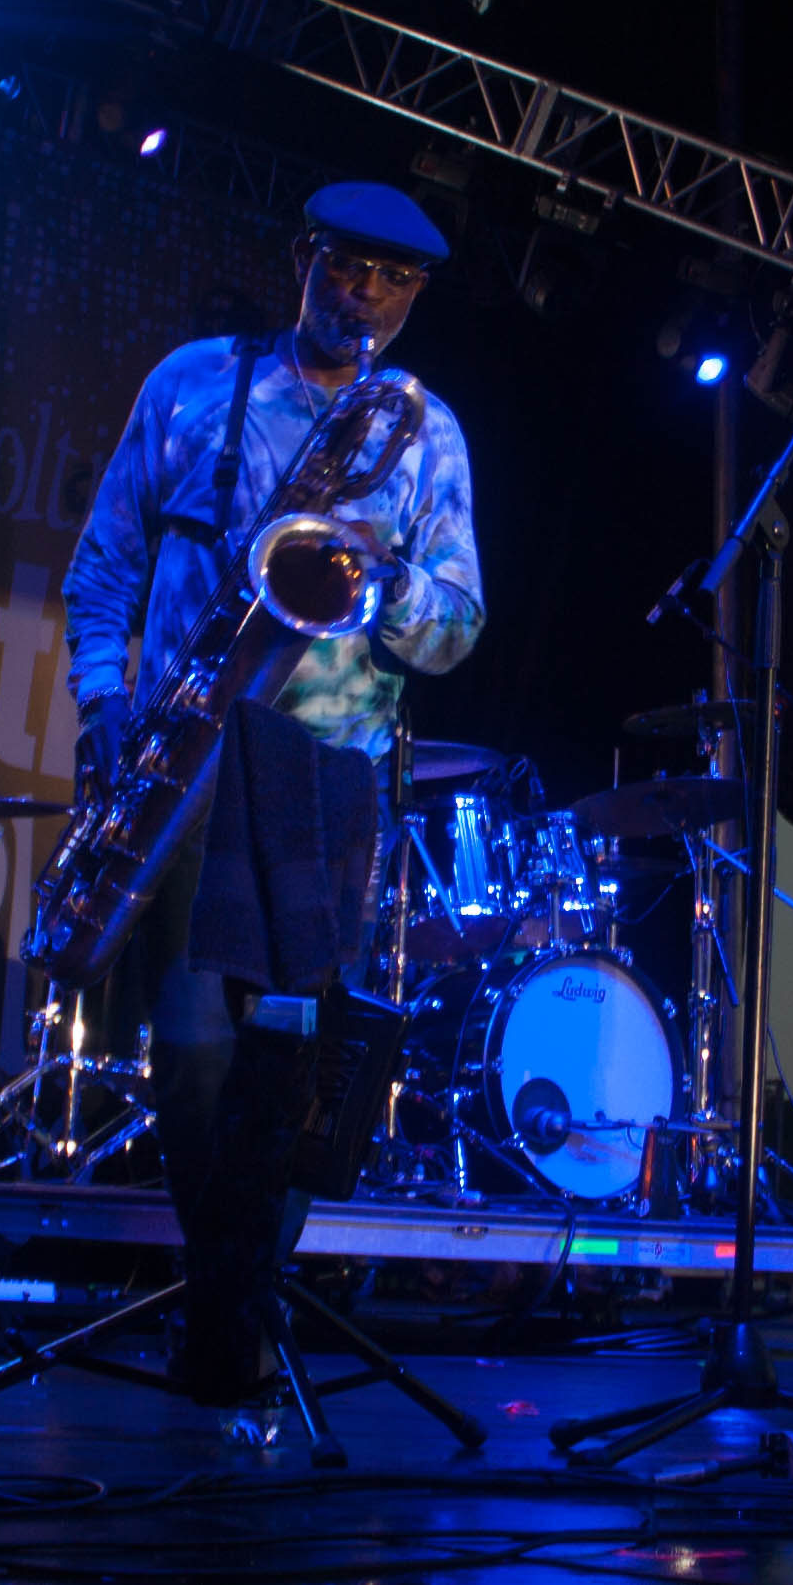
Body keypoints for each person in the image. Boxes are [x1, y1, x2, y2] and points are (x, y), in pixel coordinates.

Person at [62, 181, 483, 1398]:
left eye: (397, 282)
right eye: (350, 269)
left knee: (289, 1066)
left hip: (327, 777)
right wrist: (103, 704)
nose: (369, 300)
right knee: (192, 1049)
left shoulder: (427, 433)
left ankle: (230, 1316)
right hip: (187, 755)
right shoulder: (192, 384)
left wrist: (386, 575)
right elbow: (105, 568)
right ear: (303, 257)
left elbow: (456, 630)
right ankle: (232, 1298)